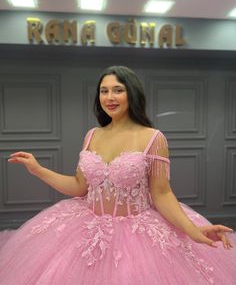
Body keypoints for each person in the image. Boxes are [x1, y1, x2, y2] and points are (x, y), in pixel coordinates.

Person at [0, 66, 235, 284]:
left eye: (117, 90)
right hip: (85, 230)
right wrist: (38, 169)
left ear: (132, 94)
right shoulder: (92, 135)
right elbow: (79, 186)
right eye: (104, 91)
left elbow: (162, 193)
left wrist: (192, 230)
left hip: (137, 238)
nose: (109, 97)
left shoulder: (153, 138)